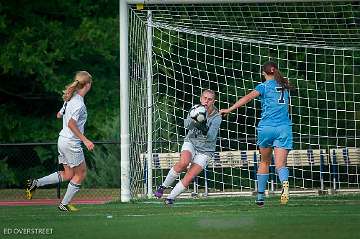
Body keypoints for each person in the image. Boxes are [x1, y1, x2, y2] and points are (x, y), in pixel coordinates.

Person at [220, 61, 293, 207]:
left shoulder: (263, 86)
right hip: (284, 128)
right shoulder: (285, 86)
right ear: (276, 71)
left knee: (265, 161)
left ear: (263, 73)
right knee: (280, 164)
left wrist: (229, 109)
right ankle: (284, 185)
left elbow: (247, 98)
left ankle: (260, 197)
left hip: (266, 128)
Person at [25, 71, 94, 212]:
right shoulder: (78, 103)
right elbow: (71, 124)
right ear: (87, 85)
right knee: (80, 174)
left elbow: (59, 114)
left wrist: (66, 113)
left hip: (62, 140)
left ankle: (35, 183)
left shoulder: (70, 98)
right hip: (71, 143)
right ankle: (64, 204)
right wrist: (85, 140)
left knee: (68, 174)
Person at [154, 89, 222, 205]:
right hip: (191, 142)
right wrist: (196, 121)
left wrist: (203, 126)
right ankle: (163, 186)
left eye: (210, 99)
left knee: (190, 175)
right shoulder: (195, 110)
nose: (206, 101)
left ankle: (170, 198)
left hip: (206, 150)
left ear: (213, 101)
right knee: (183, 163)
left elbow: (211, 137)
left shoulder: (217, 117)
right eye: (205, 98)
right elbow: (187, 125)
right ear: (201, 99)